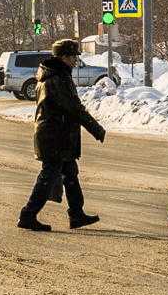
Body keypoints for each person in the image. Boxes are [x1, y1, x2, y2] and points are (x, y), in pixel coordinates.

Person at [18, 37, 106, 232]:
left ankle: (76, 214)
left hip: (58, 136)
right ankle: (28, 215)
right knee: (48, 177)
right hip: (54, 137)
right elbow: (73, 108)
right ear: (64, 57)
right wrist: (95, 128)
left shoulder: (52, 75)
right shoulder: (58, 78)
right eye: (74, 57)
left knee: (71, 173)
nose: (76, 61)